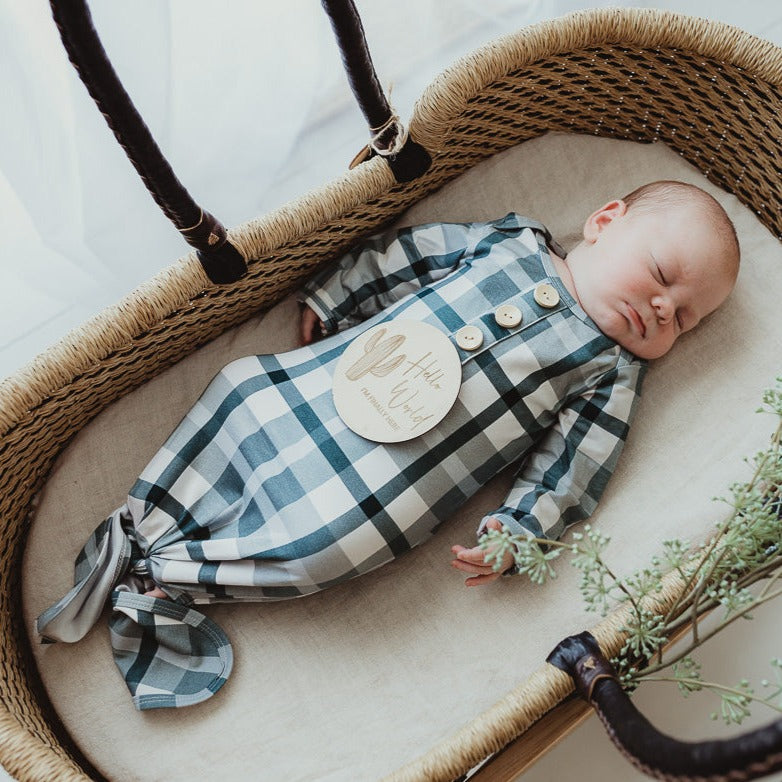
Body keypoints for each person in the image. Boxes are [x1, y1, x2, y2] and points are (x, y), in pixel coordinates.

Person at [36, 180, 740, 709]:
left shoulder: (609, 372)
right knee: (242, 392)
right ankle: (140, 524)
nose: (659, 310)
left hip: (380, 489)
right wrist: (336, 296)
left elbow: (573, 470)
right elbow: (405, 256)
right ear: (604, 222)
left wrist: (520, 532)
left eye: (682, 317)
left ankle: (171, 581)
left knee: (329, 545)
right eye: (660, 276)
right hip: (324, 387)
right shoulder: (509, 241)